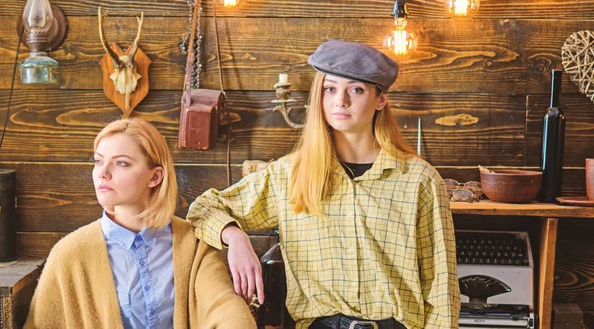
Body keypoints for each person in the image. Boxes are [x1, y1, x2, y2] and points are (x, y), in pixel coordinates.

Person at [187, 39, 460, 329]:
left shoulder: (419, 180)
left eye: (356, 89)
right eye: (330, 89)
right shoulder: (289, 175)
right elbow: (204, 208)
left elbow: (441, 287)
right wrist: (236, 238)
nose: (340, 101)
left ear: (381, 100)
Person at [25, 118, 256, 329]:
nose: (103, 173)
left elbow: (226, 308)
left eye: (121, 163)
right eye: (98, 161)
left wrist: (235, 235)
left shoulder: (193, 245)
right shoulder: (69, 253)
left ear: (155, 177)